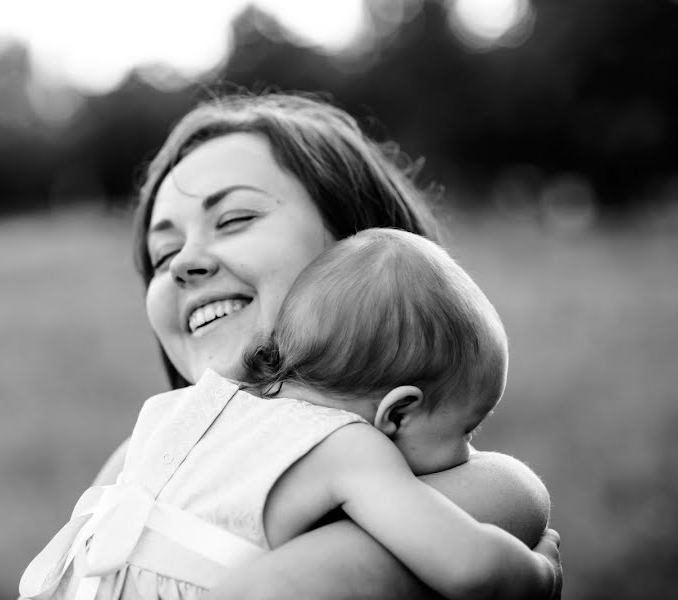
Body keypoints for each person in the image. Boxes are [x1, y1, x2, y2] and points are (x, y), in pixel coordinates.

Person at [96, 93, 561, 599]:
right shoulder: (136, 457)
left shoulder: (469, 486)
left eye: (234, 219)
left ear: (356, 241)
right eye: (162, 254)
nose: (184, 262)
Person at [19, 228, 556, 600]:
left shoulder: (187, 407)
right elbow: (469, 568)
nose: (468, 453)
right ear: (398, 411)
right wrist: (539, 573)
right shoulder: (349, 446)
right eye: (468, 429)